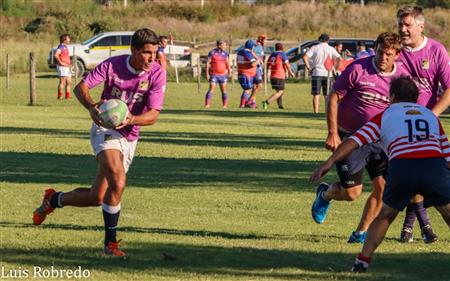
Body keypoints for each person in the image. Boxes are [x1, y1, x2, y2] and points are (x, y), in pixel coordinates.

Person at [32, 28, 166, 258]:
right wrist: (93, 108)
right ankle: (110, 244)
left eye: (154, 53)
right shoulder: (112, 65)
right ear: (133, 50)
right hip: (105, 129)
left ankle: (54, 199)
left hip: (130, 135)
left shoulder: (156, 73)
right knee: (118, 180)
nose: (151, 58)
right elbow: (80, 87)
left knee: (97, 197)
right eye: (146, 53)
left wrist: (131, 119)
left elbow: (153, 114)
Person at [310, 77, 450, 272]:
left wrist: (329, 162)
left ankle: (362, 261)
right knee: (447, 210)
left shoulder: (385, 116)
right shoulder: (430, 115)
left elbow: (355, 141)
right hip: (433, 166)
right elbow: (446, 150)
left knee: (385, 215)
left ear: (391, 96)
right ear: (416, 98)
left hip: (403, 167)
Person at [310, 32, 409, 243]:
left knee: (383, 188)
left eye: (389, 54)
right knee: (352, 193)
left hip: (381, 139)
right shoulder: (358, 69)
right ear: (376, 49)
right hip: (351, 138)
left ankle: (360, 234)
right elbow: (334, 96)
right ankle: (325, 194)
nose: (383, 57)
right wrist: (332, 132)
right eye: (381, 52)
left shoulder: (401, 77)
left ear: (397, 55)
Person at [396, 5, 450, 243]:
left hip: (426, 126)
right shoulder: (395, 50)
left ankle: (413, 227)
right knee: (411, 174)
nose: (403, 29)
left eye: (407, 24)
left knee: (427, 176)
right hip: (400, 124)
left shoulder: (437, 50)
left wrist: (433, 114)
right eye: (400, 24)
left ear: (421, 25)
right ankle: (423, 228)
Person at [302, 33, 341, 113]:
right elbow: (339, 58)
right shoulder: (330, 48)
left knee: (316, 95)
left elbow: (305, 57)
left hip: (317, 73)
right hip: (328, 74)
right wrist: (336, 69)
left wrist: (308, 67)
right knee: (327, 95)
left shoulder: (314, 47)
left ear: (319, 39)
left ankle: (315, 112)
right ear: (328, 40)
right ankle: (327, 112)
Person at [262, 43, 295, 110]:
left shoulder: (272, 55)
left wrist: (265, 74)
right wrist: (291, 72)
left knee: (279, 92)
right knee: (280, 92)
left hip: (273, 76)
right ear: (282, 48)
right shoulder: (282, 54)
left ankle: (280, 106)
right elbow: (287, 64)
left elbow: (268, 65)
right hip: (279, 75)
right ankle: (266, 102)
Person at [204, 40, 231, 108]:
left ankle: (224, 105)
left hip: (223, 75)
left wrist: (229, 71)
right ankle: (207, 104)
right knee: (211, 89)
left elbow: (227, 63)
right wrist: (207, 74)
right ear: (219, 45)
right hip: (214, 75)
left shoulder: (225, 53)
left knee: (224, 91)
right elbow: (207, 63)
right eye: (223, 45)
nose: (225, 46)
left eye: (225, 45)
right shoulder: (212, 53)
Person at [247, 34, 267, 109]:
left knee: (255, 87)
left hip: (259, 67)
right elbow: (251, 52)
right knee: (259, 86)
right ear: (261, 39)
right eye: (264, 39)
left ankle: (252, 103)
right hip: (256, 67)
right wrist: (258, 59)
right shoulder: (256, 46)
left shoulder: (261, 47)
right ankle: (249, 101)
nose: (265, 41)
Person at [237, 40, 258, 108]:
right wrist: (258, 61)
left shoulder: (240, 51)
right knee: (247, 90)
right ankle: (242, 105)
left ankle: (246, 104)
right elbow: (253, 64)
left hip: (241, 73)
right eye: (253, 46)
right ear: (251, 46)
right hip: (246, 74)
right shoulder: (247, 53)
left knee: (249, 89)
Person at [54, 34, 72, 100]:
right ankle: (60, 96)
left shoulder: (65, 46)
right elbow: (56, 55)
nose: (69, 40)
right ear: (64, 40)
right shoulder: (61, 46)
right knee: (63, 82)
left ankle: (67, 97)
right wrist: (61, 62)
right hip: (62, 67)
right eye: (68, 39)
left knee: (69, 82)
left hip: (67, 66)